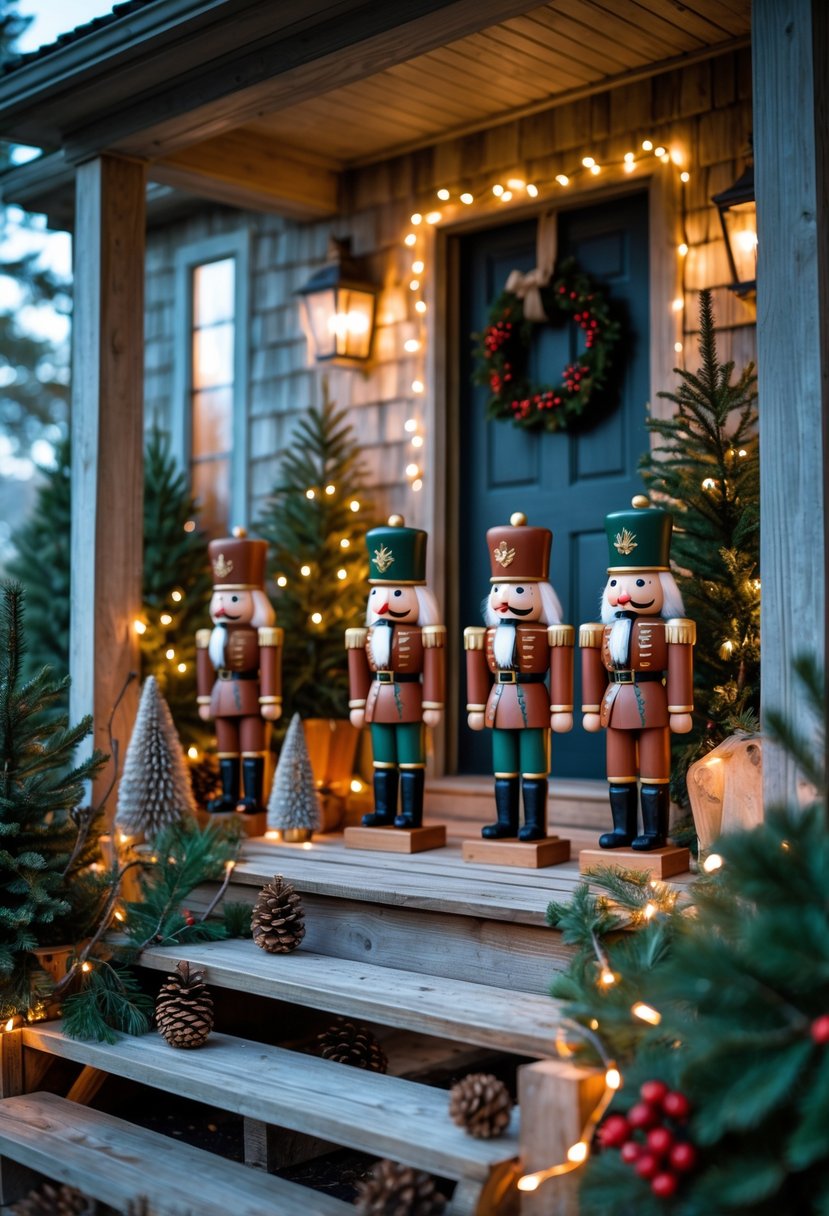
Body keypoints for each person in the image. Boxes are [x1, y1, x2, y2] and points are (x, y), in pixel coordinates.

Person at [580, 495, 695, 851]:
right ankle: (622, 828)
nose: (624, 594)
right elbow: (594, 670)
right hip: (613, 704)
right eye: (616, 584)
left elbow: (678, 668)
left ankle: (654, 832)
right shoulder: (605, 630)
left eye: (638, 584)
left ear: (663, 588)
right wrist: (588, 708)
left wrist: (680, 709)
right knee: (618, 770)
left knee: (653, 769)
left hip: (652, 703)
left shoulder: (669, 629)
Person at [464, 512, 573, 842]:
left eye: (519, 589)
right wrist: (474, 706)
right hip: (497, 704)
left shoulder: (548, 633)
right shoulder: (487, 634)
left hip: (534, 702)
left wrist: (562, 708)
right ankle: (506, 821)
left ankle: (534, 823)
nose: (505, 598)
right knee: (503, 769)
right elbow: (478, 672)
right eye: (499, 589)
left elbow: (562, 668)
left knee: (534, 767)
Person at [346, 515, 445, 829]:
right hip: (377, 699)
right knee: (382, 761)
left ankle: (411, 813)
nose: (385, 603)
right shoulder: (368, 634)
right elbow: (360, 671)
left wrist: (432, 703)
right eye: (378, 593)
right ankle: (384, 810)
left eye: (397, 594)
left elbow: (433, 668)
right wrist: (357, 703)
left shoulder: (424, 635)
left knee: (411, 760)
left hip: (410, 698)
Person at [196, 527, 283, 813]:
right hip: (221, 695)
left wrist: (270, 699)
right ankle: (230, 795)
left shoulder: (260, 634)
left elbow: (269, 665)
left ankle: (253, 797)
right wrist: (204, 699)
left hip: (248, 694)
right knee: (226, 748)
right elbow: (204, 669)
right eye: (221, 599)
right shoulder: (212, 635)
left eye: (233, 599)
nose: (222, 607)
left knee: (251, 746)